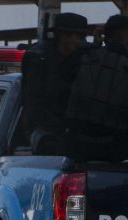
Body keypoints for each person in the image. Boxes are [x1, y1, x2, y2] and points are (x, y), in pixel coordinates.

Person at [64, 15, 128, 162]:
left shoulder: (82, 59)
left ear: (106, 38)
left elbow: (62, 96)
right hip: (114, 153)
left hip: (75, 148)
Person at [21, 12, 90, 154]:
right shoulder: (40, 61)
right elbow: (35, 105)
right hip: (43, 130)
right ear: (64, 36)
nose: (82, 42)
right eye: (79, 37)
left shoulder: (78, 61)